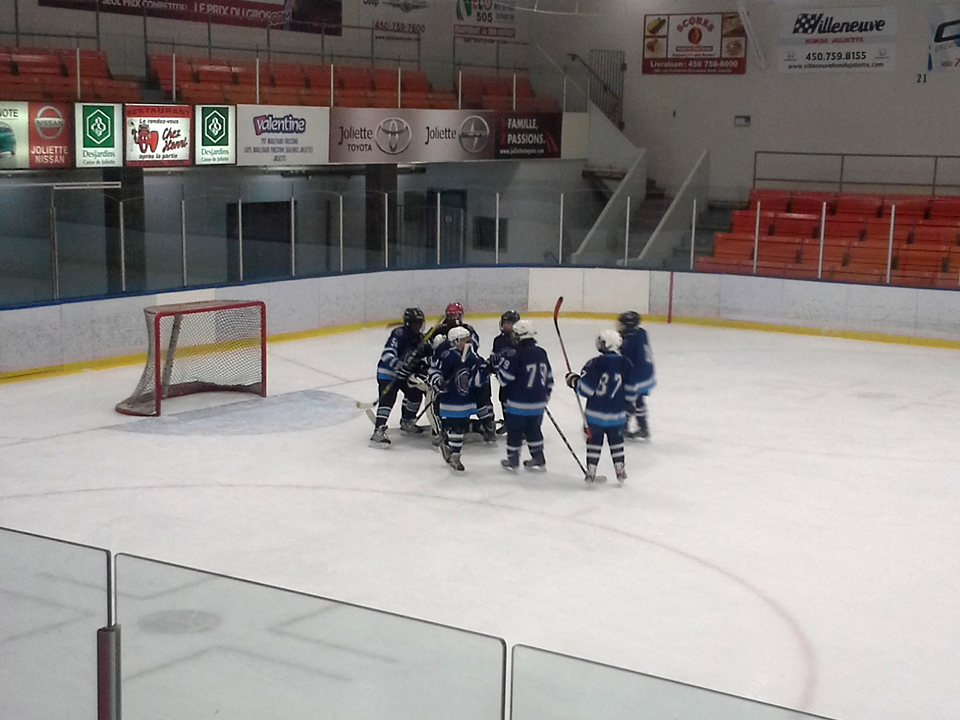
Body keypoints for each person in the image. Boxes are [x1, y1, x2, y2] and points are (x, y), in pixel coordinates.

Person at [565, 329, 636, 485]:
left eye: (603, 342)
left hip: (595, 415)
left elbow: (586, 389)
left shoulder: (595, 363)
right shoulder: (626, 363)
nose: (600, 344)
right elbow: (631, 389)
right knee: (617, 441)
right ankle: (620, 470)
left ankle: (591, 471)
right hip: (617, 415)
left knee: (594, 443)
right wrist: (629, 405)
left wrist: (573, 381)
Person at [497, 319, 552, 472]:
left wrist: (498, 368)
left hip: (518, 403)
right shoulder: (541, 353)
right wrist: (545, 395)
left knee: (514, 431)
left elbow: (504, 379)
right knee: (534, 430)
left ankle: (513, 460)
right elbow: (549, 377)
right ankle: (538, 458)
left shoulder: (514, 354)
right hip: (538, 402)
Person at [436, 302, 496, 442]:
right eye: (452, 315)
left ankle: (488, 423)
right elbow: (433, 351)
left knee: (482, 391)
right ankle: (443, 427)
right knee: (441, 395)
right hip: (448, 369)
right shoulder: (439, 331)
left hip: (469, 367)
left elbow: (472, 345)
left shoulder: (467, 329)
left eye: (457, 315)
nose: (455, 318)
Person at [429, 326, 485, 472]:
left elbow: (477, 378)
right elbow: (434, 371)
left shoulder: (472, 357)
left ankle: (449, 448)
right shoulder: (446, 356)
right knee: (455, 427)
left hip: (465, 399)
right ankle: (455, 455)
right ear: (454, 341)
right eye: (463, 340)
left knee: (460, 427)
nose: (467, 342)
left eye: (467, 339)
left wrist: (487, 368)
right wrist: (438, 381)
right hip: (450, 399)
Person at [369, 307, 426, 448]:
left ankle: (407, 421)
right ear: (408, 323)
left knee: (415, 392)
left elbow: (423, 356)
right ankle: (378, 431)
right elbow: (387, 354)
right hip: (387, 373)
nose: (418, 326)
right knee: (388, 399)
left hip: (404, 376)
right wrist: (398, 364)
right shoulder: (399, 334)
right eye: (415, 323)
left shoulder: (419, 338)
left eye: (420, 323)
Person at [617, 311, 656, 440]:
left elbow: (627, 363)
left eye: (622, 325)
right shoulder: (641, 333)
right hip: (648, 375)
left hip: (637, 377)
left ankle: (623, 426)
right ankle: (643, 427)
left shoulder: (629, 343)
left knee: (626, 400)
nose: (619, 327)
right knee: (639, 400)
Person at [491, 310, 520, 434]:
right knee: (503, 398)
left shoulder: (521, 339)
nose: (506, 325)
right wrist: (493, 364)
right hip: (504, 377)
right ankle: (508, 423)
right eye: (505, 322)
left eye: (509, 323)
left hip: (519, 379)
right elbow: (494, 356)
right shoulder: (499, 340)